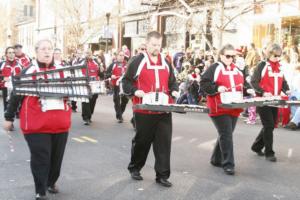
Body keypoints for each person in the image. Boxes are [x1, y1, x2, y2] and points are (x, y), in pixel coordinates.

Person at [3, 39, 72, 200]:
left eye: (49, 48)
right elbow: (16, 95)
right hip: (36, 125)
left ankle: (51, 182)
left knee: (56, 159)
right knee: (41, 158)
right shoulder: (28, 71)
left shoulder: (63, 70)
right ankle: (40, 190)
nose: (47, 52)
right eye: (43, 49)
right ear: (36, 52)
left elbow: (74, 90)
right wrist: (9, 116)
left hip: (60, 124)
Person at [123, 31, 179, 187]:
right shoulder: (137, 61)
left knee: (164, 143)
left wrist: (174, 90)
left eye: (159, 45)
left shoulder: (166, 61)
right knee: (143, 141)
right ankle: (135, 167)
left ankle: (162, 175)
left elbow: (172, 81)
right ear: (146, 44)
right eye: (154, 45)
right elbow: (126, 82)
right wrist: (135, 91)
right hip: (144, 110)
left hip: (163, 110)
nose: (156, 48)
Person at [200, 44, 244, 175]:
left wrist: (249, 88)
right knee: (226, 134)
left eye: (233, 56)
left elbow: (243, 83)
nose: (231, 58)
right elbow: (203, 83)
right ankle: (228, 164)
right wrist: (216, 89)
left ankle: (216, 159)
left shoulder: (236, 69)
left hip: (234, 106)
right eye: (228, 56)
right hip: (218, 107)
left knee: (226, 134)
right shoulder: (215, 67)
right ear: (221, 55)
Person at [250, 43, 290, 162]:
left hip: (275, 100)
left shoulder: (280, 67)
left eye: (279, 56)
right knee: (269, 125)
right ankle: (269, 153)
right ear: (269, 54)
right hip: (262, 101)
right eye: (275, 56)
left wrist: (286, 90)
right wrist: (262, 92)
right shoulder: (262, 65)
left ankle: (256, 146)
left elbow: (283, 81)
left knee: (271, 126)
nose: (277, 58)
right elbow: (253, 81)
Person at [106, 50, 129, 123]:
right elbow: (106, 74)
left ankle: (120, 112)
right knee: (117, 100)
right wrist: (111, 75)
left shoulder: (127, 64)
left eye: (123, 55)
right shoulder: (113, 64)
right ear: (117, 56)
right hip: (116, 85)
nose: (122, 57)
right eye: (120, 55)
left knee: (125, 100)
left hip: (125, 85)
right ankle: (119, 116)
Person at [81, 49, 101, 125]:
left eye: (89, 53)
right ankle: (86, 117)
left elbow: (100, 73)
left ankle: (89, 114)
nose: (88, 54)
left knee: (93, 99)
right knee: (85, 100)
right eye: (86, 53)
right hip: (85, 83)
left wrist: (101, 70)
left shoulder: (95, 62)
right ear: (84, 54)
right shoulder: (81, 62)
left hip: (94, 84)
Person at [0, 46, 22, 111]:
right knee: (7, 109)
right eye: (9, 53)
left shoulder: (19, 64)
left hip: (17, 87)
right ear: (6, 54)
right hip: (6, 88)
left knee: (17, 108)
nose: (11, 54)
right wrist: (3, 78)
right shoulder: (2, 63)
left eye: (13, 52)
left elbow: (24, 75)